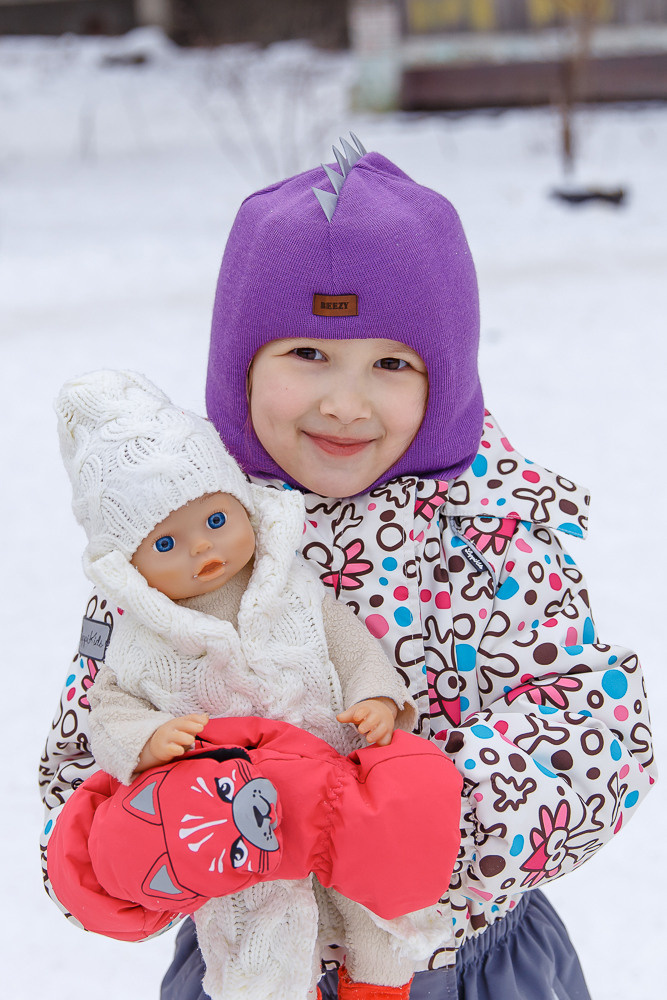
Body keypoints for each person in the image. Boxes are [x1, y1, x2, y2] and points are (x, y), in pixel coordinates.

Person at [40, 134, 656, 1000]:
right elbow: (84, 758)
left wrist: (422, 824)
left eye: (391, 364)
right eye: (307, 354)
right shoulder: (178, 538)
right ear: (237, 363)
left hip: (463, 965)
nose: (344, 401)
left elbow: (595, 733)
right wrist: (146, 840)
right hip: (246, 966)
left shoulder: (487, 529)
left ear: (444, 375)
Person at [49, 368, 461, 1000]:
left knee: (375, 902)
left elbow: (347, 641)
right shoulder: (143, 638)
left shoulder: (288, 584)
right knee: (256, 941)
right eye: (166, 543)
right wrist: (146, 740)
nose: (203, 551)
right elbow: (108, 708)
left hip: (341, 788)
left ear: (240, 501)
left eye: (216, 520)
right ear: (130, 568)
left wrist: (375, 697)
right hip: (240, 827)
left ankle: (377, 987)